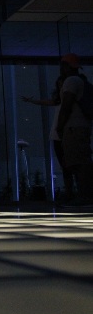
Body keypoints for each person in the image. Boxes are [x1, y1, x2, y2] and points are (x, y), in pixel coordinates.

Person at [22, 75, 74, 200]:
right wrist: (32, 101)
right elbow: (46, 102)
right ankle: (71, 193)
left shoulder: (66, 102)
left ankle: (71, 193)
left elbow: (46, 102)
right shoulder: (61, 102)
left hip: (62, 134)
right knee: (66, 165)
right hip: (58, 135)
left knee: (68, 165)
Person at [55, 53, 93, 204]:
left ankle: (85, 195)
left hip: (73, 128)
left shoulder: (71, 81)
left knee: (78, 162)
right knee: (81, 160)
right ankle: (85, 194)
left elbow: (67, 105)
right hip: (81, 126)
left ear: (66, 66)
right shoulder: (81, 81)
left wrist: (60, 125)